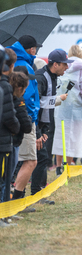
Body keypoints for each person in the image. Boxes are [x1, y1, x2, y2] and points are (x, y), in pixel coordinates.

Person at [32, 49, 72, 203]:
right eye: (64, 65)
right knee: (40, 158)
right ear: (55, 64)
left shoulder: (53, 76)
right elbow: (38, 102)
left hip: (45, 124)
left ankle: (39, 192)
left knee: (43, 158)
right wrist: (58, 99)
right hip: (37, 125)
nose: (67, 68)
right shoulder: (41, 77)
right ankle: (36, 194)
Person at [7, 35, 41, 204]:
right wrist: (30, 118)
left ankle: (13, 198)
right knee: (30, 161)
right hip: (25, 118)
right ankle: (17, 201)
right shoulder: (25, 66)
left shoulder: (13, 63)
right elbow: (25, 96)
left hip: (18, 118)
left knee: (19, 161)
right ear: (32, 49)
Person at [52, 45, 82, 174]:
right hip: (77, 109)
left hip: (61, 106)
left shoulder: (62, 67)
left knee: (60, 136)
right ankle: (67, 167)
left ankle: (58, 166)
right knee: (73, 138)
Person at [0, 45, 20, 205]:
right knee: (4, 179)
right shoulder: (5, 86)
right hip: (4, 139)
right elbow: (7, 115)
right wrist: (16, 129)